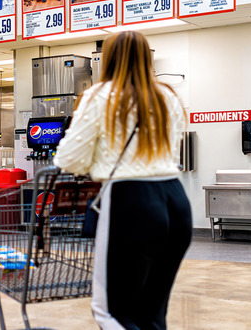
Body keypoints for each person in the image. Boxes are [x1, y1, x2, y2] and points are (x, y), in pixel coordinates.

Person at [53, 31, 191, 330]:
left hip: (131, 201)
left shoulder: (100, 95)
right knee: (152, 312)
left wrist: (96, 161)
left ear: (109, 59)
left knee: (113, 313)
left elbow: (69, 159)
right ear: (147, 57)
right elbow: (173, 146)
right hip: (176, 200)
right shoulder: (168, 95)